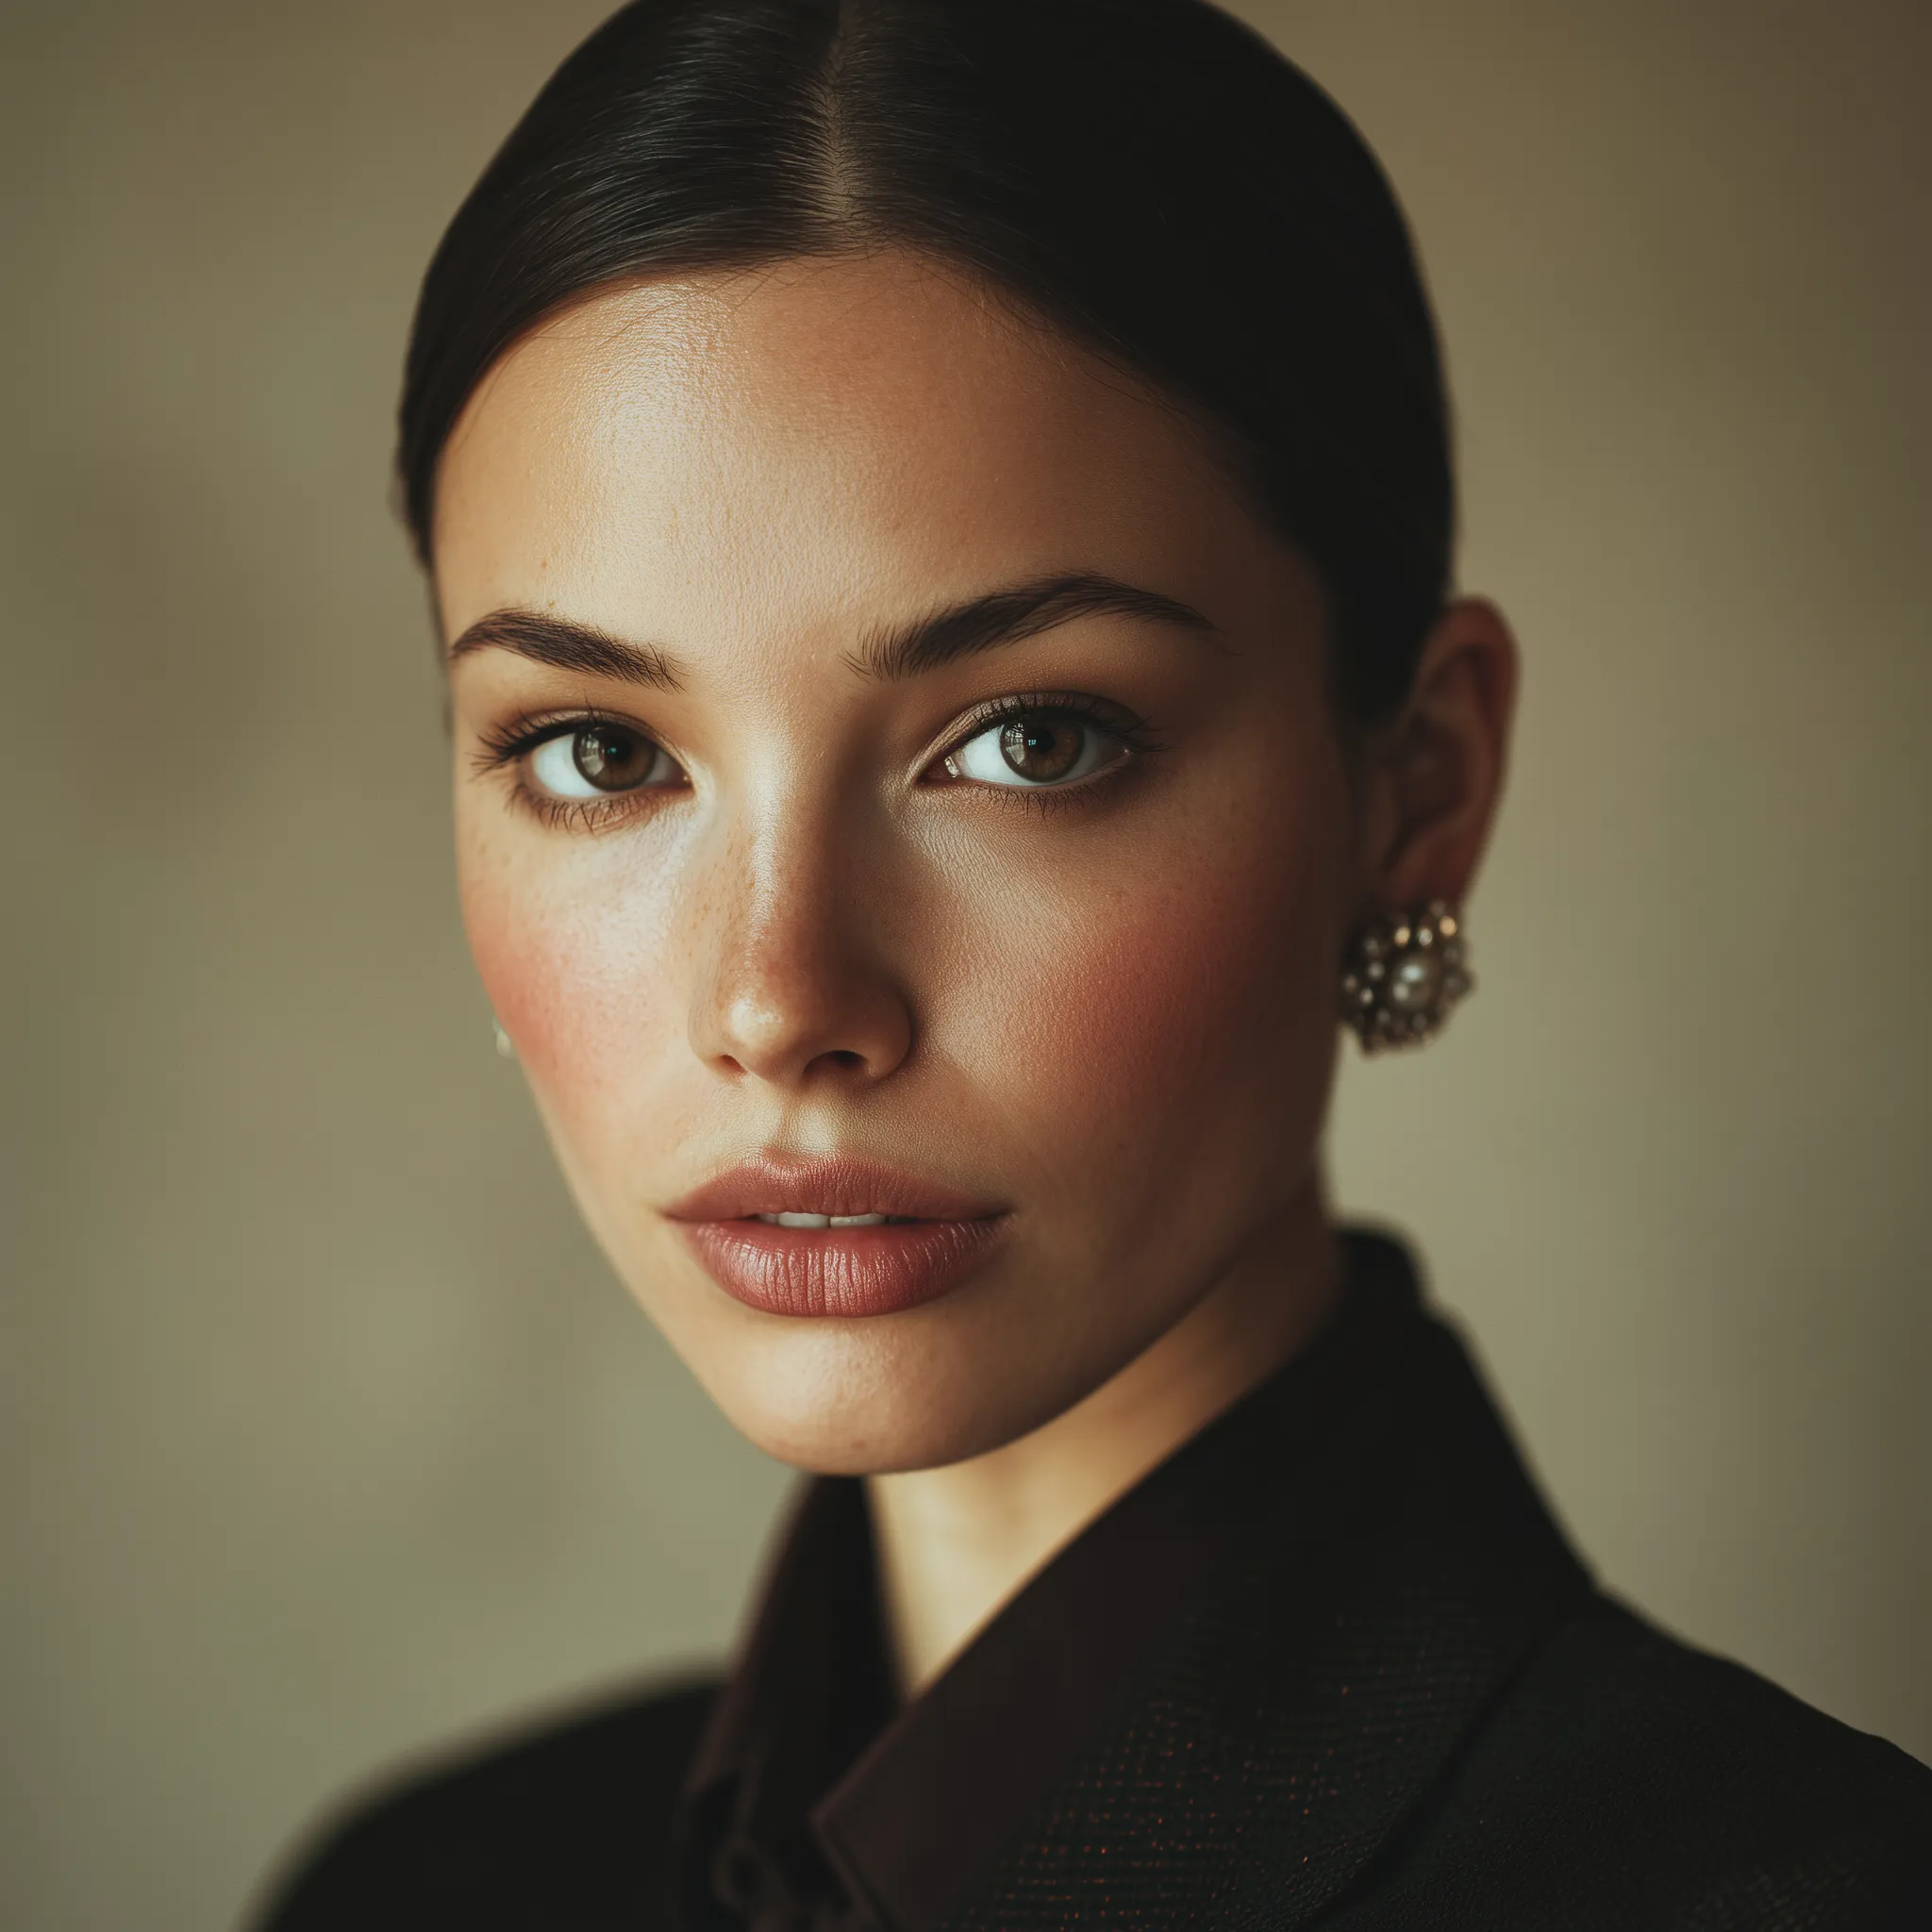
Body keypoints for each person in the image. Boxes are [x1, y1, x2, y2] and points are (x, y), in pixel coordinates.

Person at [251, 1, 1932, 1925]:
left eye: (1031, 742)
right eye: (599, 756)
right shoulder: (415, 1893)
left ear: (1419, 783)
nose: (778, 1000)